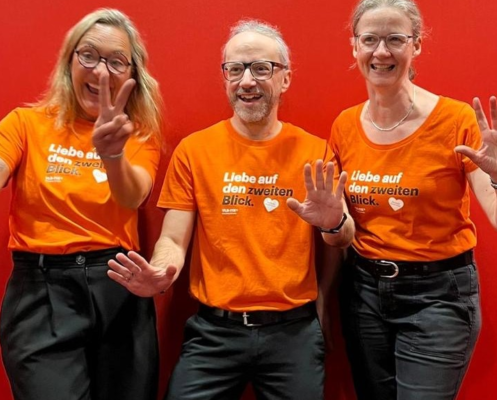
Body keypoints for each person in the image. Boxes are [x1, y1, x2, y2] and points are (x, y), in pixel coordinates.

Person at [107, 19, 354, 400]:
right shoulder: (194, 151)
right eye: (235, 69)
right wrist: (161, 271)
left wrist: (333, 224)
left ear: (285, 78)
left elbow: (343, 237)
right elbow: (173, 237)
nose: (247, 81)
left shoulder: (315, 152)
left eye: (261, 68)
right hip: (214, 333)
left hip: (293, 333)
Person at [0, 8, 163, 400]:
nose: (101, 72)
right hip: (42, 294)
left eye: (116, 62)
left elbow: (133, 195)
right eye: (88, 55)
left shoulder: (136, 134)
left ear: (132, 75)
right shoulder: (26, 124)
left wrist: (112, 155)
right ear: (68, 60)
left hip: (118, 288)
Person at [330, 0, 497, 399]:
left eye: (395, 39)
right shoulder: (345, 125)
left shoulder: (455, 121)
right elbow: (339, 224)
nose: (381, 51)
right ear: (354, 47)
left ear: (416, 46)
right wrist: (329, 223)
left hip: (438, 298)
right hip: (364, 292)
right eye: (369, 39)